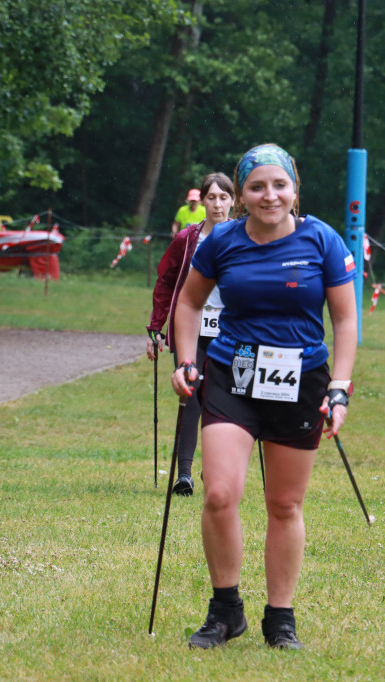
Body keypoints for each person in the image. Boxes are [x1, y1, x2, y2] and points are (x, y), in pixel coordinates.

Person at [170, 143, 357, 650]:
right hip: (233, 373)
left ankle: (280, 619)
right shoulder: (222, 242)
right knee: (219, 492)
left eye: (280, 185)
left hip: (301, 382)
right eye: (257, 186)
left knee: (284, 505)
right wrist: (186, 360)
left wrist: (339, 387)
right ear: (242, 193)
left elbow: (344, 318)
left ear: (295, 190)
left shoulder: (322, 240)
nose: (269, 195)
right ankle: (225, 610)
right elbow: (187, 303)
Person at [147, 172, 235, 496]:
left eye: (223, 198)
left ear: (233, 201)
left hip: (229, 331)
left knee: (221, 401)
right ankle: (184, 474)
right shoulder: (187, 238)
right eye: (211, 198)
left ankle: (214, 471)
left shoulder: (245, 238)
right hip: (192, 329)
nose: (217, 204)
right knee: (191, 394)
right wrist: (155, 327)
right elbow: (166, 280)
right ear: (203, 201)